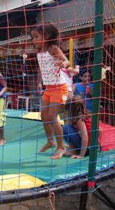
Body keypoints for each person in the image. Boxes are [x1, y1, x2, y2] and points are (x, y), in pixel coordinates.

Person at [31, 22, 70, 159]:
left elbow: (67, 61)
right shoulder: (39, 52)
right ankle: (50, 141)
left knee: (52, 117)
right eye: (32, 37)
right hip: (48, 88)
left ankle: (61, 147)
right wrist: (39, 82)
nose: (33, 40)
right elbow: (41, 68)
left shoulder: (53, 48)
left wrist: (63, 64)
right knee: (43, 116)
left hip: (59, 88)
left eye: (36, 37)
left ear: (46, 36)